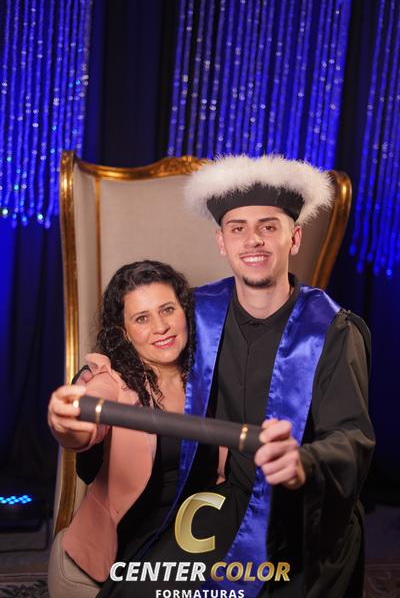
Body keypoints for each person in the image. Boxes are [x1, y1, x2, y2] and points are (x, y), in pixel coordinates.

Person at [178, 154, 375, 597]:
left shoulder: (333, 329)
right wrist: (92, 376)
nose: (253, 240)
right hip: (221, 508)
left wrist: (303, 462)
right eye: (238, 228)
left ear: (295, 237)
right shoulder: (196, 313)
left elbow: (351, 439)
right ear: (221, 242)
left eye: (269, 226)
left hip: (306, 521)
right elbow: (133, 358)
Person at [47, 260, 202, 597]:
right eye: (142, 318)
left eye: (167, 310)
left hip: (203, 527)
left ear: (184, 312)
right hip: (136, 537)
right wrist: (69, 422)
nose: (160, 327)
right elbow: (89, 419)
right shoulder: (111, 380)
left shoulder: (210, 371)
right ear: (124, 332)